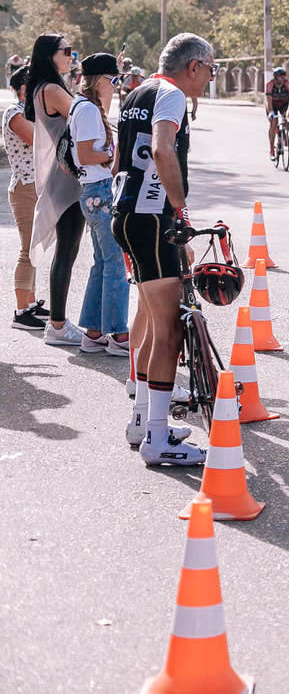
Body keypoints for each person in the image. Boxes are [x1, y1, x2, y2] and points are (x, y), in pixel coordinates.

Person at [111, 33, 215, 466]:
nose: (210, 78)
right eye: (210, 69)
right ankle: (156, 437)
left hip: (130, 213)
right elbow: (160, 148)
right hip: (152, 219)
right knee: (169, 329)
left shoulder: (137, 91)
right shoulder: (171, 95)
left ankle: (142, 420)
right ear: (193, 66)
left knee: (151, 322)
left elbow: (120, 161)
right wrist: (181, 213)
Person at [24, 33, 86, 346]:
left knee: (67, 250)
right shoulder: (50, 89)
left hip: (61, 178)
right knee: (67, 251)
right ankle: (58, 326)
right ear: (51, 55)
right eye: (67, 51)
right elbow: (84, 116)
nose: (71, 56)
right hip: (65, 181)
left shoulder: (44, 87)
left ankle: (58, 324)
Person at [70, 53, 131, 356]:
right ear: (101, 80)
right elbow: (85, 154)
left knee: (103, 263)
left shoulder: (86, 106)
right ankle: (118, 335)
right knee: (116, 264)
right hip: (100, 190)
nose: (117, 85)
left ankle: (94, 333)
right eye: (115, 79)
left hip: (92, 191)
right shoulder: (88, 111)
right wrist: (112, 156)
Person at [5, 64, 49, 329]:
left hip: (36, 187)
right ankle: (21, 311)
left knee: (35, 248)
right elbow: (39, 140)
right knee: (26, 250)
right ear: (24, 89)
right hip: (25, 188)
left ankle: (30, 303)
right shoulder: (14, 112)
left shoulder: (30, 111)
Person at [264, 66, 289, 158]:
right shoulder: (270, 85)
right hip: (272, 105)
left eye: (281, 78)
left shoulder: (288, 84)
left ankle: (285, 133)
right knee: (274, 122)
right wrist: (271, 113)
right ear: (274, 77)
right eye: (277, 78)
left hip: (284, 104)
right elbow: (268, 100)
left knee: (288, 118)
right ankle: (272, 148)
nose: (279, 81)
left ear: (284, 78)